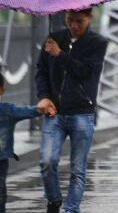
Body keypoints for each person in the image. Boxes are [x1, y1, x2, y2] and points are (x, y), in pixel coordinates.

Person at [35, 8, 108, 213]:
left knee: (78, 169)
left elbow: (85, 72)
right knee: (47, 161)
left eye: (79, 21)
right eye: (70, 20)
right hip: (55, 112)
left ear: (89, 18)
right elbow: (41, 71)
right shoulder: (54, 38)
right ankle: (54, 199)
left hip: (82, 112)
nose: (74, 26)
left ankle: (71, 209)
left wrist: (60, 54)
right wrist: (44, 96)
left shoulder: (97, 43)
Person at [0, 73, 53, 213]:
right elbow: (30, 111)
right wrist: (41, 108)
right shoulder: (8, 110)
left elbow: (30, 111)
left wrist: (41, 108)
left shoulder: (7, 110)